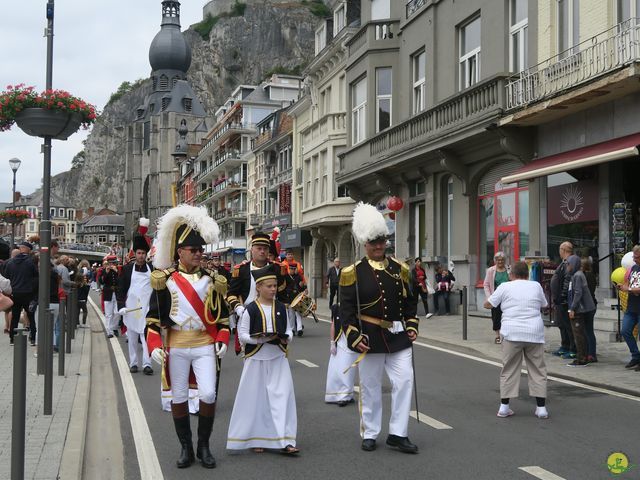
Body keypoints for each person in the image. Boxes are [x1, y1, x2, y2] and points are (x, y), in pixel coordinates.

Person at [145, 205, 230, 469]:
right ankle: (186, 447)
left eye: (200, 250)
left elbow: (224, 318)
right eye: (193, 250)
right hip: (177, 346)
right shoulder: (165, 280)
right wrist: (154, 345)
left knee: (207, 394)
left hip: (204, 344)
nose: (198, 254)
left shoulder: (213, 280)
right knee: (179, 397)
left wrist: (223, 339)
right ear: (180, 251)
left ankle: (203, 446)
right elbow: (152, 319)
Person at [340, 202, 419, 454]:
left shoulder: (401, 269)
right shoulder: (353, 272)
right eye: (373, 241)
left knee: (405, 380)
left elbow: (410, 302)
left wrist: (412, 324)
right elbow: (347, 311)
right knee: (371, 387)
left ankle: (398, 433)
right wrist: (353, 336)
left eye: (382, 241)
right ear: (365, 243)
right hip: (369, 337)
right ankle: (371, 432)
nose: (378, 246)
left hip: (397, 337)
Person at [226, 266, 298, 454]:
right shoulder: (250, 309)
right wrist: (261, 338)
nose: (273, 289)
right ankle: (255, 437)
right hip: (256, 359)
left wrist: (285, 337)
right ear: (258, 287)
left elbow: (289, 330)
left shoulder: (282, 308)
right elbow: (242, 335)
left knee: (283, 397)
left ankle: (286, 440)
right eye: (269, 286)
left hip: (278, 359)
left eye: (274, 286)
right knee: (255, 399)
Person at [484, 261, 549, 419]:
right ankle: (541, 409)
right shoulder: (536, 286)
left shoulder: (505, 286)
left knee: (509, 369)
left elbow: (488, 304)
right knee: (537, 370)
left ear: (511, 274)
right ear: (527, 274)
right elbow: (544, 305)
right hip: (534, 333)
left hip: (511, 333)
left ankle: (504, 407)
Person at [226, 233, 287, 349]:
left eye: (265, 248)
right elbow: (231, 294)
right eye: (259, 248)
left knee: (275, 350)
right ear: (252, 250)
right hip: (247, 314)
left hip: (272, 314)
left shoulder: (278, 268)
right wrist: (238, 308)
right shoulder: (242, 269)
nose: (262, 251)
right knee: (249, 353)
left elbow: (283, 294)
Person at [117, 226, 154, 375]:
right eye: (139, 253)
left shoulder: (152, 269)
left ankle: (147, 363)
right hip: (131, 309)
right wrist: (121, 306)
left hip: (147, 309)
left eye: (143, 253)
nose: (141, 256)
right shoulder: (126, 270)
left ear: (146, 254)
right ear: (135, 253)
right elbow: (121, 289)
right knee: (132, 338)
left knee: (146, 338)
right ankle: (133, 363)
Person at [3, 241, 38, 346]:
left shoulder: (10, 262)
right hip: (28, 293)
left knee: (15, 316)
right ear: (27, 250)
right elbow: (36, 277)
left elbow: (6, 278)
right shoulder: (31, 262)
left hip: (15, 293)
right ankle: (32, 338)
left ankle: (12, 338)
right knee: (31, 316)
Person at [325, 303, 357, 406]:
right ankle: (334, 395)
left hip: (351, 342)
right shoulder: (336, 307)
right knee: (335, 369)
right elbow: (333, 325)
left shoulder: (356, 307)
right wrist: (332, 343)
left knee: (347, 370)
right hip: (340, 342)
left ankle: (345, 396)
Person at [566, 255, 595, 367]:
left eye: (568, 264)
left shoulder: (577, 276)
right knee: (581, 333)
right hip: (581, 308)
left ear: (573, 265)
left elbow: (578, 293)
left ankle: (582, 358)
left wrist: (572, 308)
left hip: (580, 309)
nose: (567, 266)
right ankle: (583, 356)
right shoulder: (576, 275)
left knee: (578, 334)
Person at [550, 241, 576, 359]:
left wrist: (563, 297)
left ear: (564, 250)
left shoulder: (570, 262)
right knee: (561, 325)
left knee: (568, 326)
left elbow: (567, 281)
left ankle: (572, 348)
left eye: (560, 249)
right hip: (559, 300)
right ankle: (564, 346)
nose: (559, 252)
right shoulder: (564, 262)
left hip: (563, 300)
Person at [617, 245, 640, 371]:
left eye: (637, 257)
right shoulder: (633, 268)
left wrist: (629, 289)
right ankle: (636, 356)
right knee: (625, 330)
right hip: (632, 306)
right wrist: (622, 285)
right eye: (634, 257)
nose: (635, 259)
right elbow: (627, 282)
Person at [483, 252, 509, 343]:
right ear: (495, 261)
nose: (500, 261)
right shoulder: (491, 270)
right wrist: (489, 297)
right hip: (496, 298)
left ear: (505, 260)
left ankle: (505, 335)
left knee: (507, 316)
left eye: (502, 260)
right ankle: (498, 335)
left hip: (507, 298)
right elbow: (486, 285)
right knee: (496, 317)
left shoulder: (509, 269)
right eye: (498, 260)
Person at [100, 255, 121, 338]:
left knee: (117, 312)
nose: (112, 265)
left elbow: (121, 281)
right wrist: (107, 272)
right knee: (108, 314)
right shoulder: (104, 271)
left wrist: (117, 272)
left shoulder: (118, 270)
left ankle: (114, 327)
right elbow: (101, 281)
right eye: (110, 263)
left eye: (113, 263)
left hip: (116, 293)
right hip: (108, 293)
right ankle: (109, 331)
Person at [582, 258, 598, 363]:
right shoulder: (590, 275)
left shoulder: (585, 276)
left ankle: (591, 353)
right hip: (592, 304)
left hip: (588, 305)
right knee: (588, 330)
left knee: (588, 330)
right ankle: (590, 352)